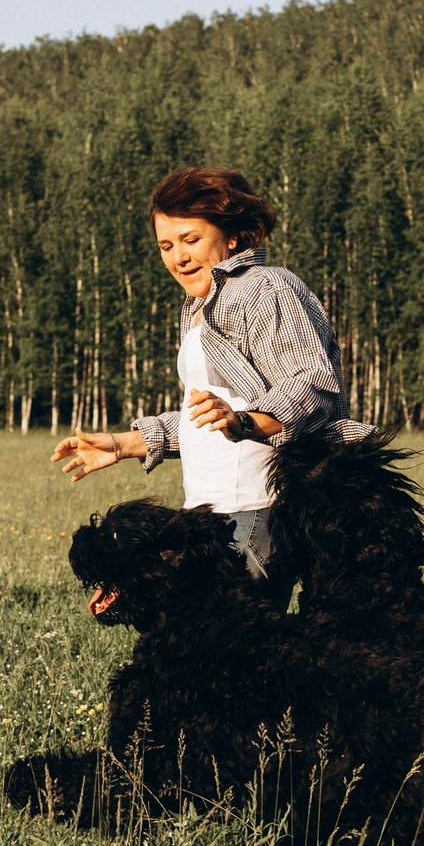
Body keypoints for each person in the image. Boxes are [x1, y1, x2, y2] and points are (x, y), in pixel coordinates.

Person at [50, 166, 357, 600]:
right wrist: (122, 444)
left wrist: (244, 423)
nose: (179, 257)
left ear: (232, 236)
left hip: (255, 507)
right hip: (211, 512)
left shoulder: (262, 287)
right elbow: (210, 416)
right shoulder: (199, 307)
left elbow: (312, 384)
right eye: (166, 245)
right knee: (217, 655)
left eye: (191, 240)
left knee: (230, 654)